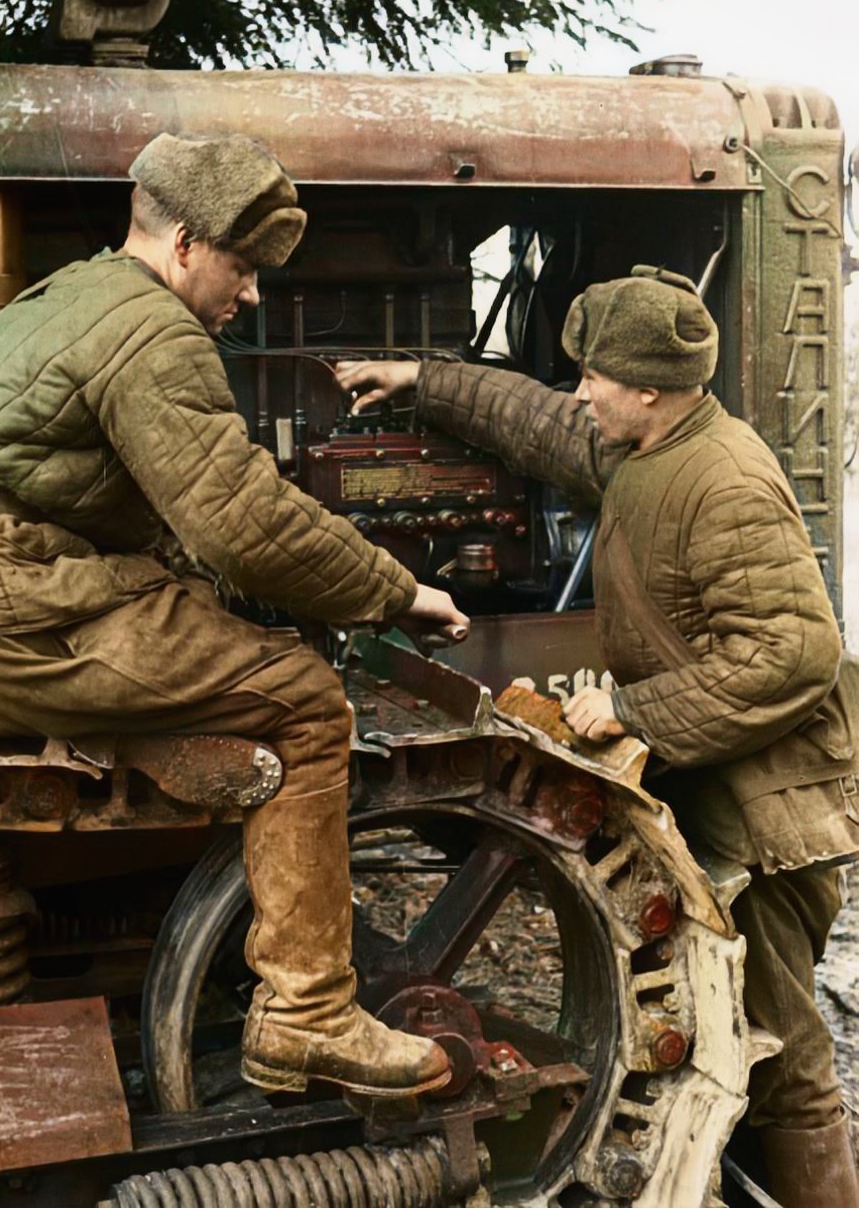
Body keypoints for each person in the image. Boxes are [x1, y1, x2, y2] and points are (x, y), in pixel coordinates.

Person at [0, 131, 469, 1099]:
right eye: (243, 265)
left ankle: (172, 789)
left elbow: (156, 523)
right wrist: (396, 590)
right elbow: (243, 523)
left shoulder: (68, 297)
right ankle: (305, 1016)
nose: (253, 294)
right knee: (306, 702)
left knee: (201, 633)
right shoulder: (153, 333)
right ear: (184, 244)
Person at [337, 264, 859, 1206]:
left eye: (598, 378)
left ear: (650, 389)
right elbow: (540, 421)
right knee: (717, 1032)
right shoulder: (645, 444)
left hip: (771, 820)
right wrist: (421, 380)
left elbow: (794, 651)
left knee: (784, 1055)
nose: (583, 391)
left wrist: (631, 710)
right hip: (715, 793)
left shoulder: (725, 480)